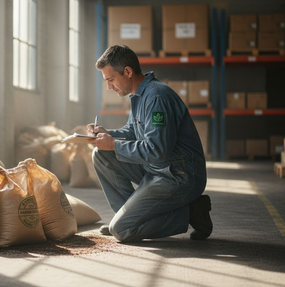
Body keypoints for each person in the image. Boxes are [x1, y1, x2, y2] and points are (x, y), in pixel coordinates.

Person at [87, 44, 212, 242]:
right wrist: (106, 134)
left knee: (122, 231)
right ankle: (125, 216)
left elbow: (157, 150)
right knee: (101, 154)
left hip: (179, 174)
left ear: (127, 71)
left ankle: (192, 212)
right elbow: (132, 131)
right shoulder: (139, 95)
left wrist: (113, 144)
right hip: (158, 168)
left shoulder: (157, 98)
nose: (109, 86)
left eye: (110, 79)